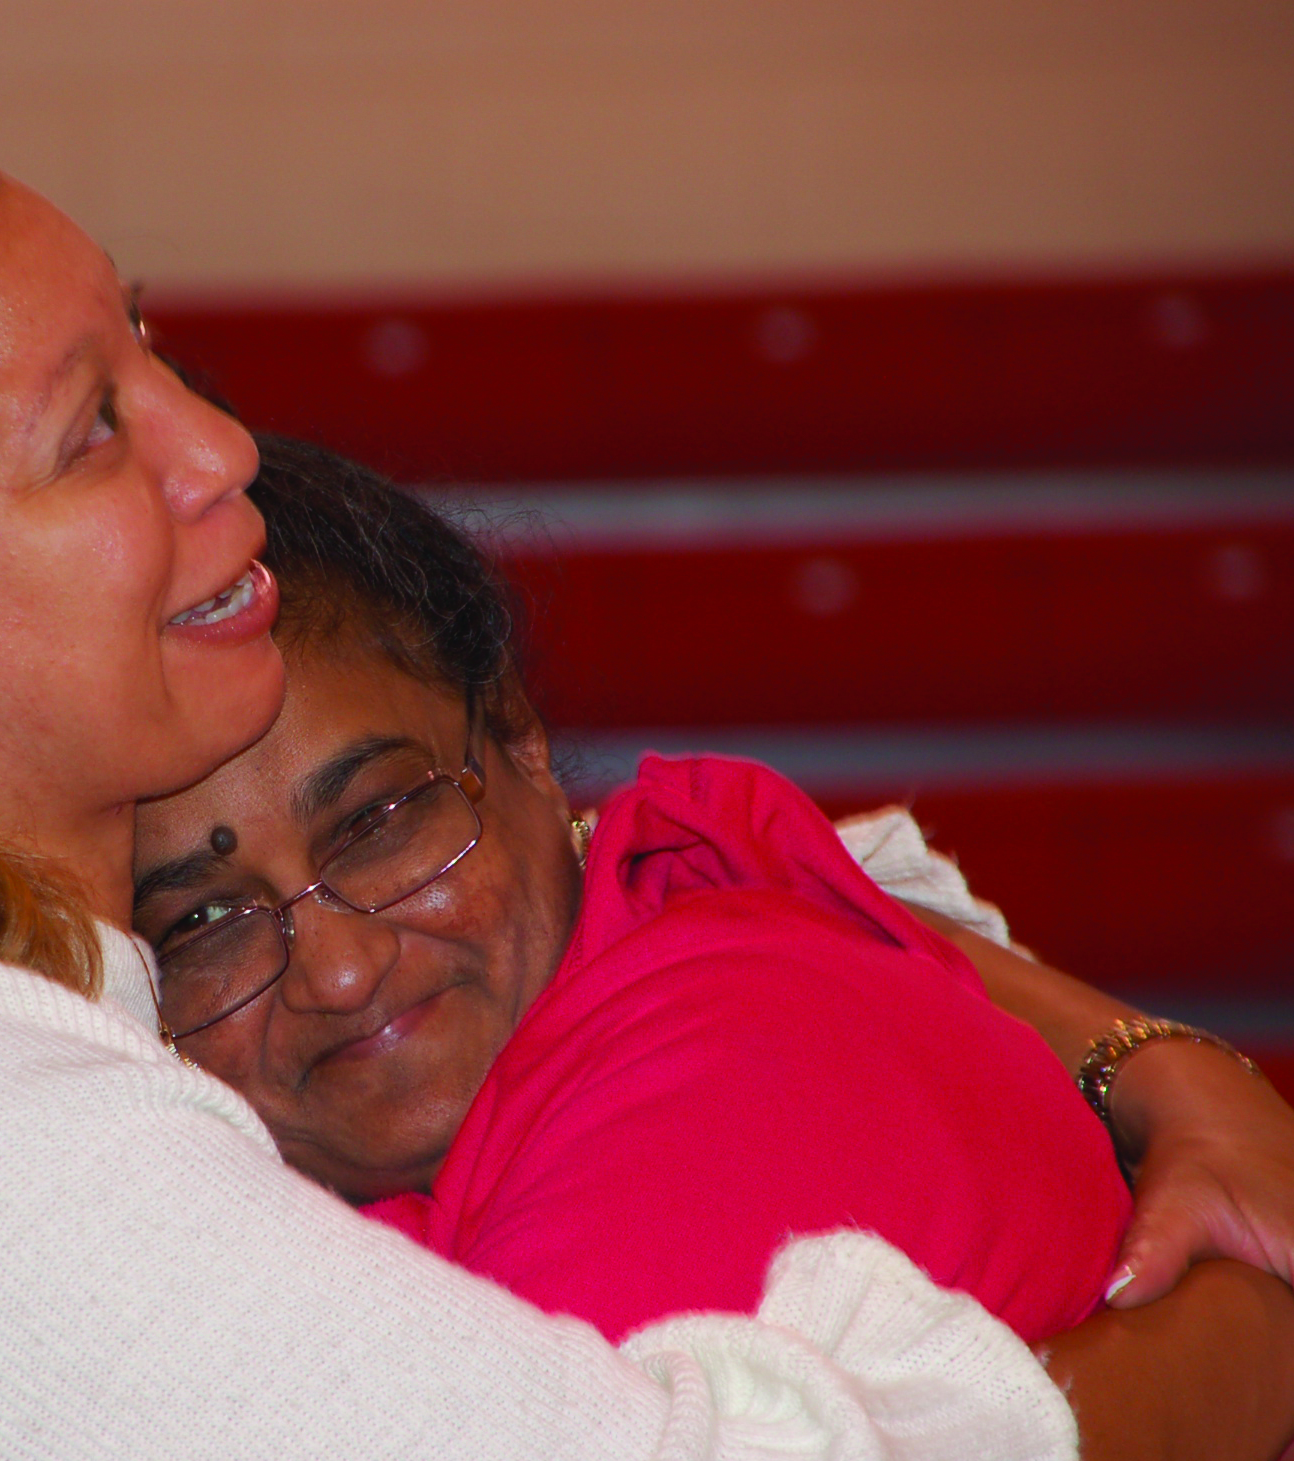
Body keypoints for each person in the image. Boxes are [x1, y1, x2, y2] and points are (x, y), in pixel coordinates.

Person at [0, 22, 1294, 1461]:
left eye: (153, 352)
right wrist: (1261, 1332)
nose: (219, 445)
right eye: (91, 427)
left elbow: (693, 864)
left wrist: (1175, 1080)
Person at [126, 437, 1147, 1353]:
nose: (339, 973)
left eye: (378, 822)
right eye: (203, 923)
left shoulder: (722, 1053)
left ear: (518, 739)